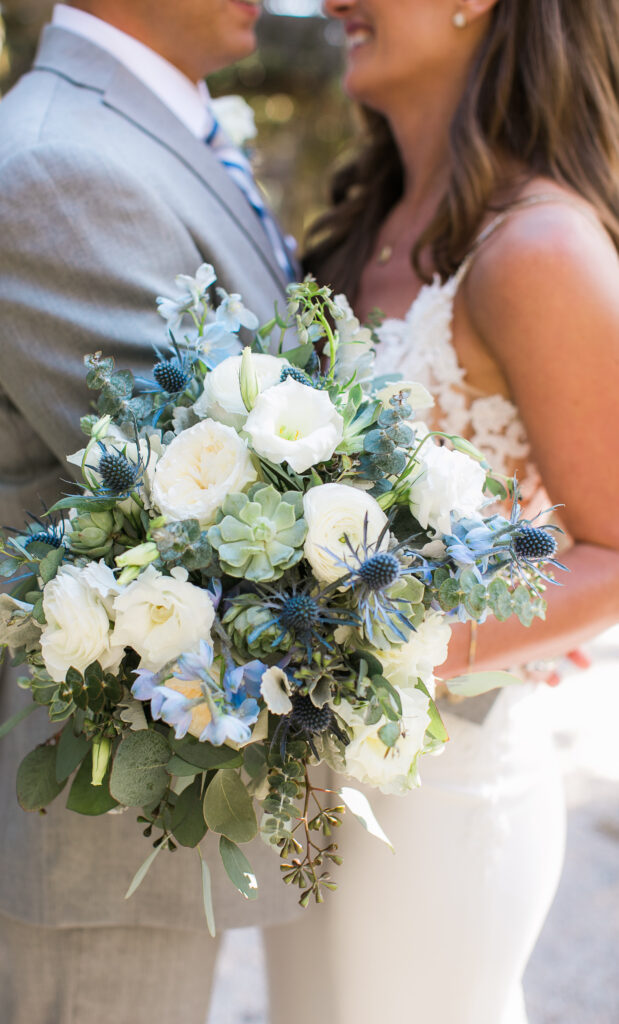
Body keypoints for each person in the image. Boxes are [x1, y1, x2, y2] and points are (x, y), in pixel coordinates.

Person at [0, 2, 299, 1022]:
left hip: (158, 794)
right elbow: (221, 505)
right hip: (98, 807)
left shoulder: (157, 125)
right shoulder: (56, 168)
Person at [264, 1, 619, 1022]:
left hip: (441, 797)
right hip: (313, 791)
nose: (331, 2)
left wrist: (380, 646)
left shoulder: (536, 247)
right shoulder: (358, 237)